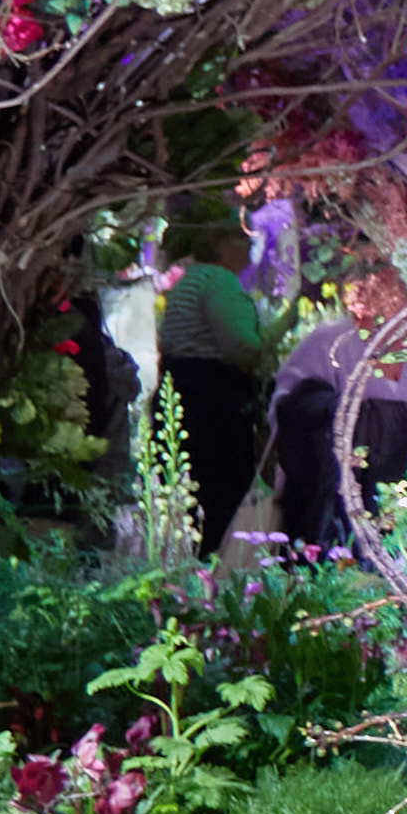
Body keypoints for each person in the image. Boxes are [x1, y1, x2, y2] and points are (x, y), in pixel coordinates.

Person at [150, 193, 278, 555]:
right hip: (211, 405)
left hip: (181, 394)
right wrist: (282, 327)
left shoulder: (192, 279)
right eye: (241, 237)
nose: (249, 246)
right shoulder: (219, 281)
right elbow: (243, 347)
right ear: (219, 244)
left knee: (188, 494)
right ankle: (214, 571)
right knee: (219, 496)